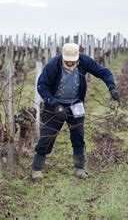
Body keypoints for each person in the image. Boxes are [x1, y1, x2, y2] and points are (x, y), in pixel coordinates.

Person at [32, 43, 120, 180]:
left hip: (75, 104)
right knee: (47, 136)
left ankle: (80, 168)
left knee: (78, 135)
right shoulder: (52, 65)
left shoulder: (84, 62)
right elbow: (42, 86)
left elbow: (103, 72)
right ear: (62, 57)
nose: (70, 63)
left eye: (72, 61)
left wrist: (111, 87)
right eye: (67, 60)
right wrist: (55, 105)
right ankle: (36, 169)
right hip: (54, 105)